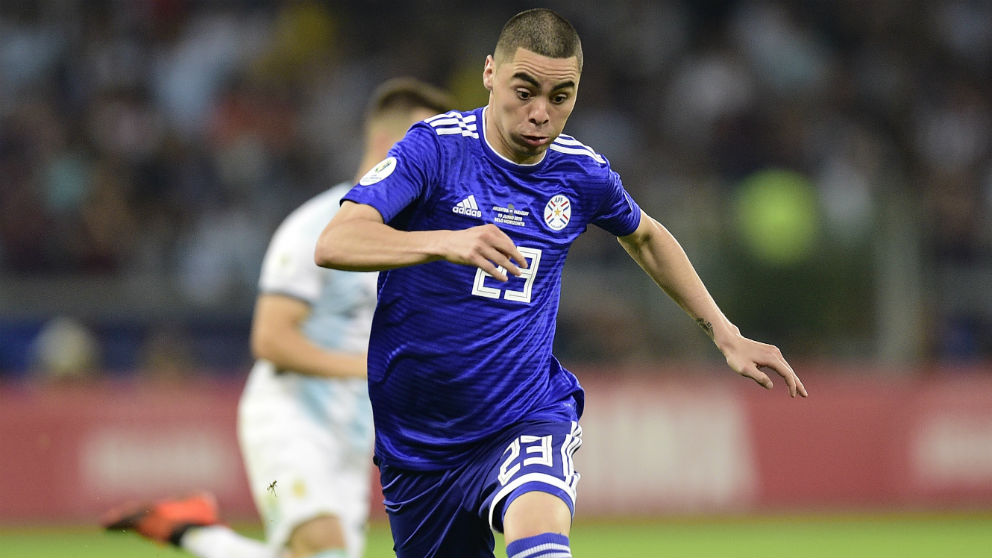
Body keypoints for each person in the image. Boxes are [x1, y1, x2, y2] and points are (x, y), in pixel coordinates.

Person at [314, 8, 807, 558]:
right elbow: (335, 242)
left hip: (523, 417)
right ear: (489, 75)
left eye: (560, 96)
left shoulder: (581, 173)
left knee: (541, 548)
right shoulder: (433, 149)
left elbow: (645, 236)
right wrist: (444, 241)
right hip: (418, 445)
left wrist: (724, 332)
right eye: (524, 91)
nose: (540, 114)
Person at [100, 78, 455, 558]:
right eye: (429, 148)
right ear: (386, 146)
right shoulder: (317, 227)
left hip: (353, 438)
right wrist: (368, 370)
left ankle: (194, 530)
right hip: (291, 421)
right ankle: (195, 530)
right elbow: (271, 339)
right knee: (324, 552)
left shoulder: (414, 240)